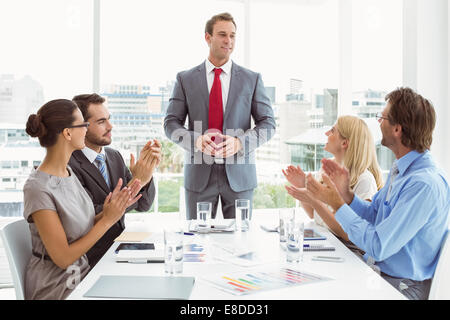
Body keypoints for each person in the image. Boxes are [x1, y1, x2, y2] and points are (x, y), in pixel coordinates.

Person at [305, 87, 450, 300]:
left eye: (382, 118)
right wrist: (347, 195)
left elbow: (379, 246)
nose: (379, 123)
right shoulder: (401, 170)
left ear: (397, 129)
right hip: (380, 276)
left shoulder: (423, 184)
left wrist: (338, 205)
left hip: (401, 288)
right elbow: (374, 213)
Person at [23, 99, 142, 299]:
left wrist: (112, 210)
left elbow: (80, 226)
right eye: (83, 125)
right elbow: (63, 258)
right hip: (59, 287)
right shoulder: (37, 187)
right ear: (67, 133)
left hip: (84, 276)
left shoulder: (67, 172)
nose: (87, 130)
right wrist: (107, 220)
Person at [164, 12, 275, 219]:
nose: (228, 41)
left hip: (239, 176)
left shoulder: (252, 79)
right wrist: (196, 141)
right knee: (197, 242)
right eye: (222, 34)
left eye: (233, 36)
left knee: (241, 242)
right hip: (199, 176)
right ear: (208, 37)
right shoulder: (185, 79)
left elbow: (268, 124)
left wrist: (240, 143)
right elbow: (171, 123)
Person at [68, 93, 161, 268]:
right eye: (101, 122)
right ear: (81, 126)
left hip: (120, 248)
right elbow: (89, 216)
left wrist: (146, 174)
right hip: (91, 257)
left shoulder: (114, 156)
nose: (110, 126)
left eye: (109, 119)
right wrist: (137, 181)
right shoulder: (70, 164)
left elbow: (143, 205)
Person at [283, 115, 383, 254]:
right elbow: (313, 214)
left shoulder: (364, 180)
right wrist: (303, 186)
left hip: (349, 253)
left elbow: (347, 234)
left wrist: (313, 199)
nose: (326, 133)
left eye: (332, 131)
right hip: (326, 243)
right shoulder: (327, 169)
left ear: (344, 143)